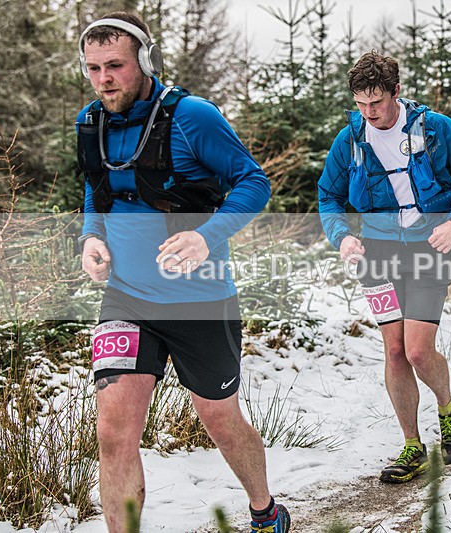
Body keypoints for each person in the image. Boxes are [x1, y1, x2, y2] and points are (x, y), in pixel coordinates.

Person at [76, 13, 290, 533]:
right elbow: (95, 191)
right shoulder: (92, 121)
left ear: (145, 61)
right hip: (125, 299)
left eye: (116, 66)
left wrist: (204, 236)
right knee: (114, 432)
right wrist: (90, 238)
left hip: (200, 299)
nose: (104, 78)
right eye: (93, 68)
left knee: (220, 419)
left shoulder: (194, 117)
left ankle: (264, 509)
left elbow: (253, 183)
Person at [318, 51, 451, 483]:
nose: (368, 113)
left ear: (396, 92)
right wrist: (342, 238)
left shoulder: (436, 130)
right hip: (376, 253)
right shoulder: (351, 139)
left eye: (376, 103)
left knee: (417, 350)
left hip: (428, 248)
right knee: (394, 350)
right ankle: (412, 445)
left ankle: (449, 408)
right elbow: (328, 197)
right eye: (360, 104)